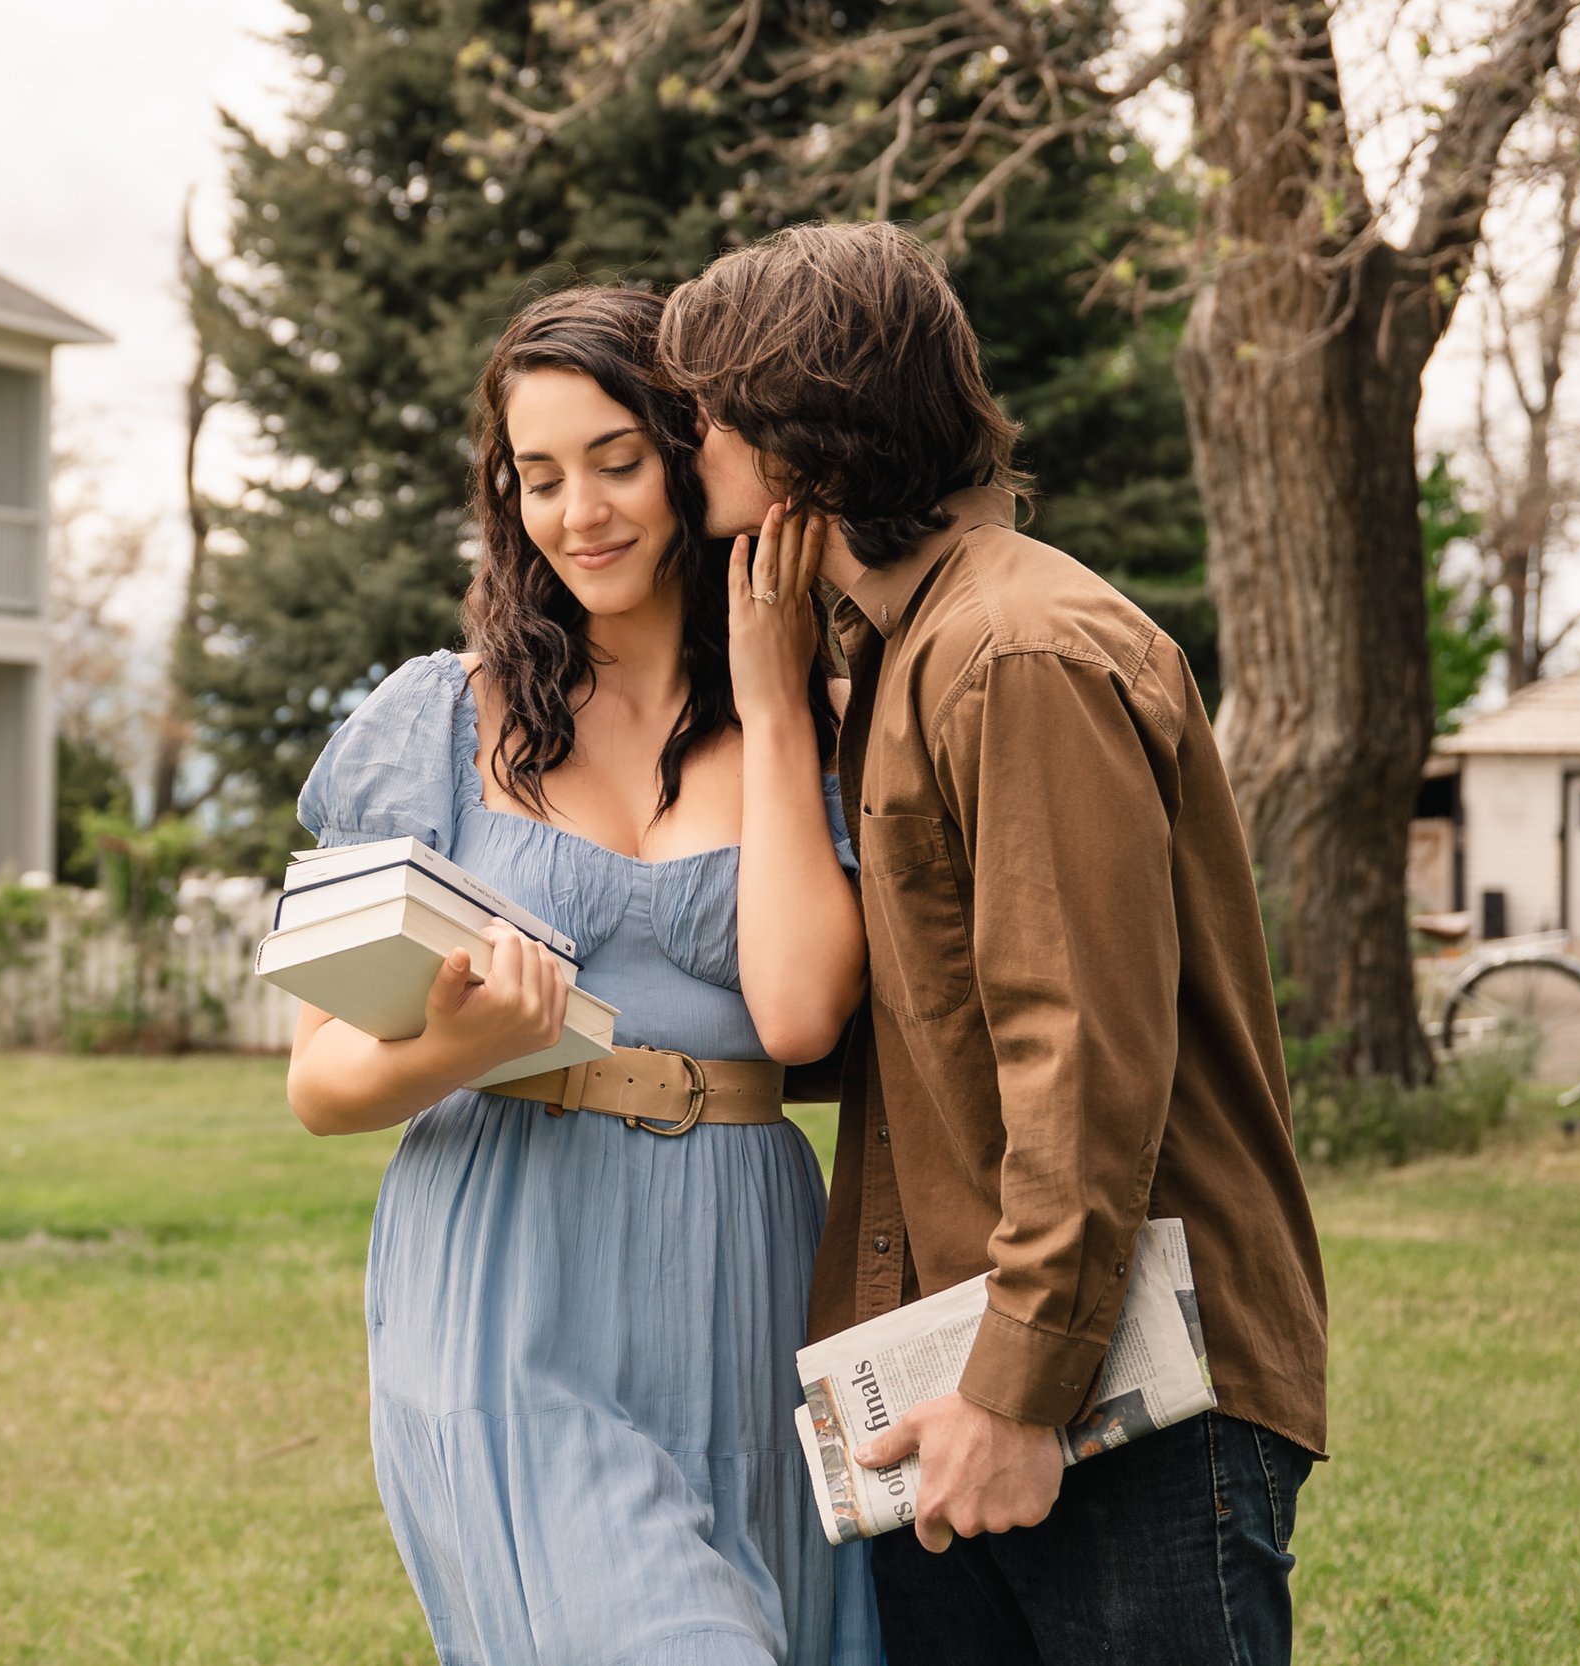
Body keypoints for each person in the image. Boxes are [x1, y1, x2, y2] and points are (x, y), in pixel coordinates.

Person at [658, 220, 1330, 1666]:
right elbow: (902, 1034)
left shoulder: (1017, 651)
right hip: (960, 1395)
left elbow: (1081, 1050)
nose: (684, 439)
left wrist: (1022, 1393)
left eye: (706, 409)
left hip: (1122, 1404)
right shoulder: (908, 655)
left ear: (803, 433)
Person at [284, 285, 882, 1666]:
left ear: (686, 453)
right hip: (509, 1285)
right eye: (539, 477)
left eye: (616, 460)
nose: (582, 512)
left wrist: (781, 701)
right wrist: (452, 1043)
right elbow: (319, 1082)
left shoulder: (819, 724)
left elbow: (796, 1016)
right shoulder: (434, 718)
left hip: (750, 1273)